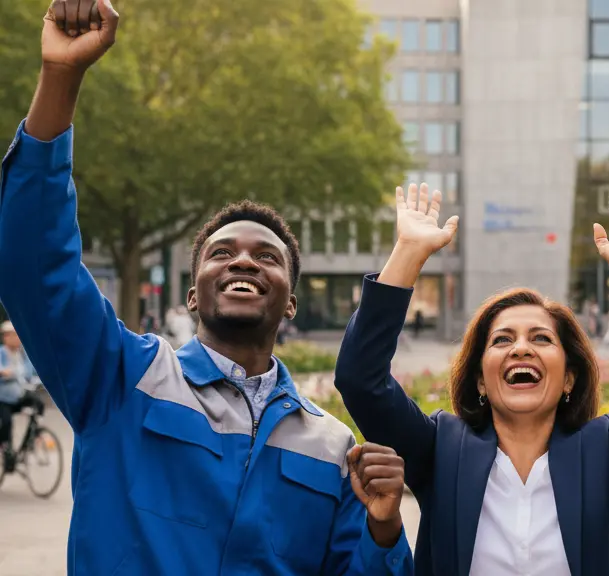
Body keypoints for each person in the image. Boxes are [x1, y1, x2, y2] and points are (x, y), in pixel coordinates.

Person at [0, 2, 412, 574]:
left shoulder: (333, 447)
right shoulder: (121, 376)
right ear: (193, 293)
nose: (243, 261)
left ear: (289, 299)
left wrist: (386, 529)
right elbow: (34, 261)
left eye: (267, 257)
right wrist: (61, 78)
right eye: (222, 253)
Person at [335, 183, 609, 576]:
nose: (521, 349)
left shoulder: (604, 453)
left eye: (541, 338)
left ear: (569, 378)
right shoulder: (440, 450)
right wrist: (408, 253)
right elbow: (360, 379)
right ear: (480, 381)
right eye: (502, 340)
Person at [0, 321, 46, 472]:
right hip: (3, 398)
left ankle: (32, 438)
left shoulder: (22, 354)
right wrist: (5, 372)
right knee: (6, 422)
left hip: (19, 395)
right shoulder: (1, 353)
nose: (17, 339)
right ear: (5, 337)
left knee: (38, 403)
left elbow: (31, 372)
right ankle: (6, 449)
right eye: (13, 335)